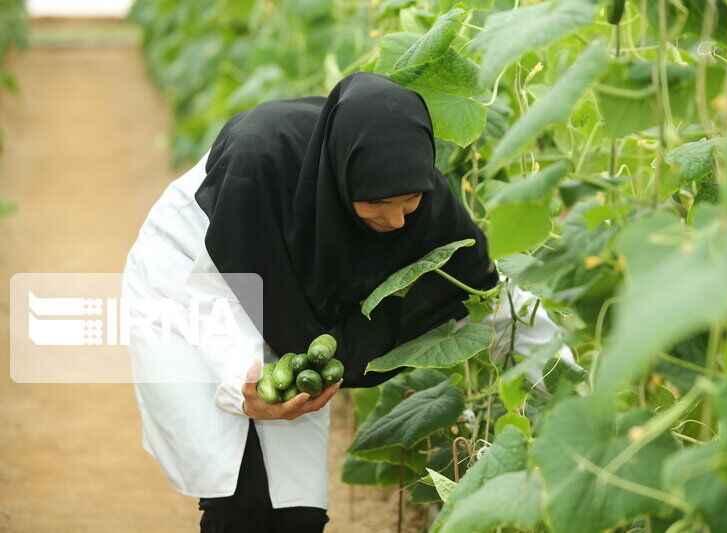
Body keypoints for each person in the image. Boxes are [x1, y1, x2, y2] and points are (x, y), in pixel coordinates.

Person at [121, 71, 576, 532]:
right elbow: (212, 290)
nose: (397, 220)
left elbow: (494, 302)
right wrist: (241, 385)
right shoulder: (257, 161)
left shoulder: (425, 199)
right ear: (341, 178)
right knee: (241, 492)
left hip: (291, 312)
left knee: (295, 509)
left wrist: (567, 391)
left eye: (411, 198)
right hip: (191, 275)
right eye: (377, 201)